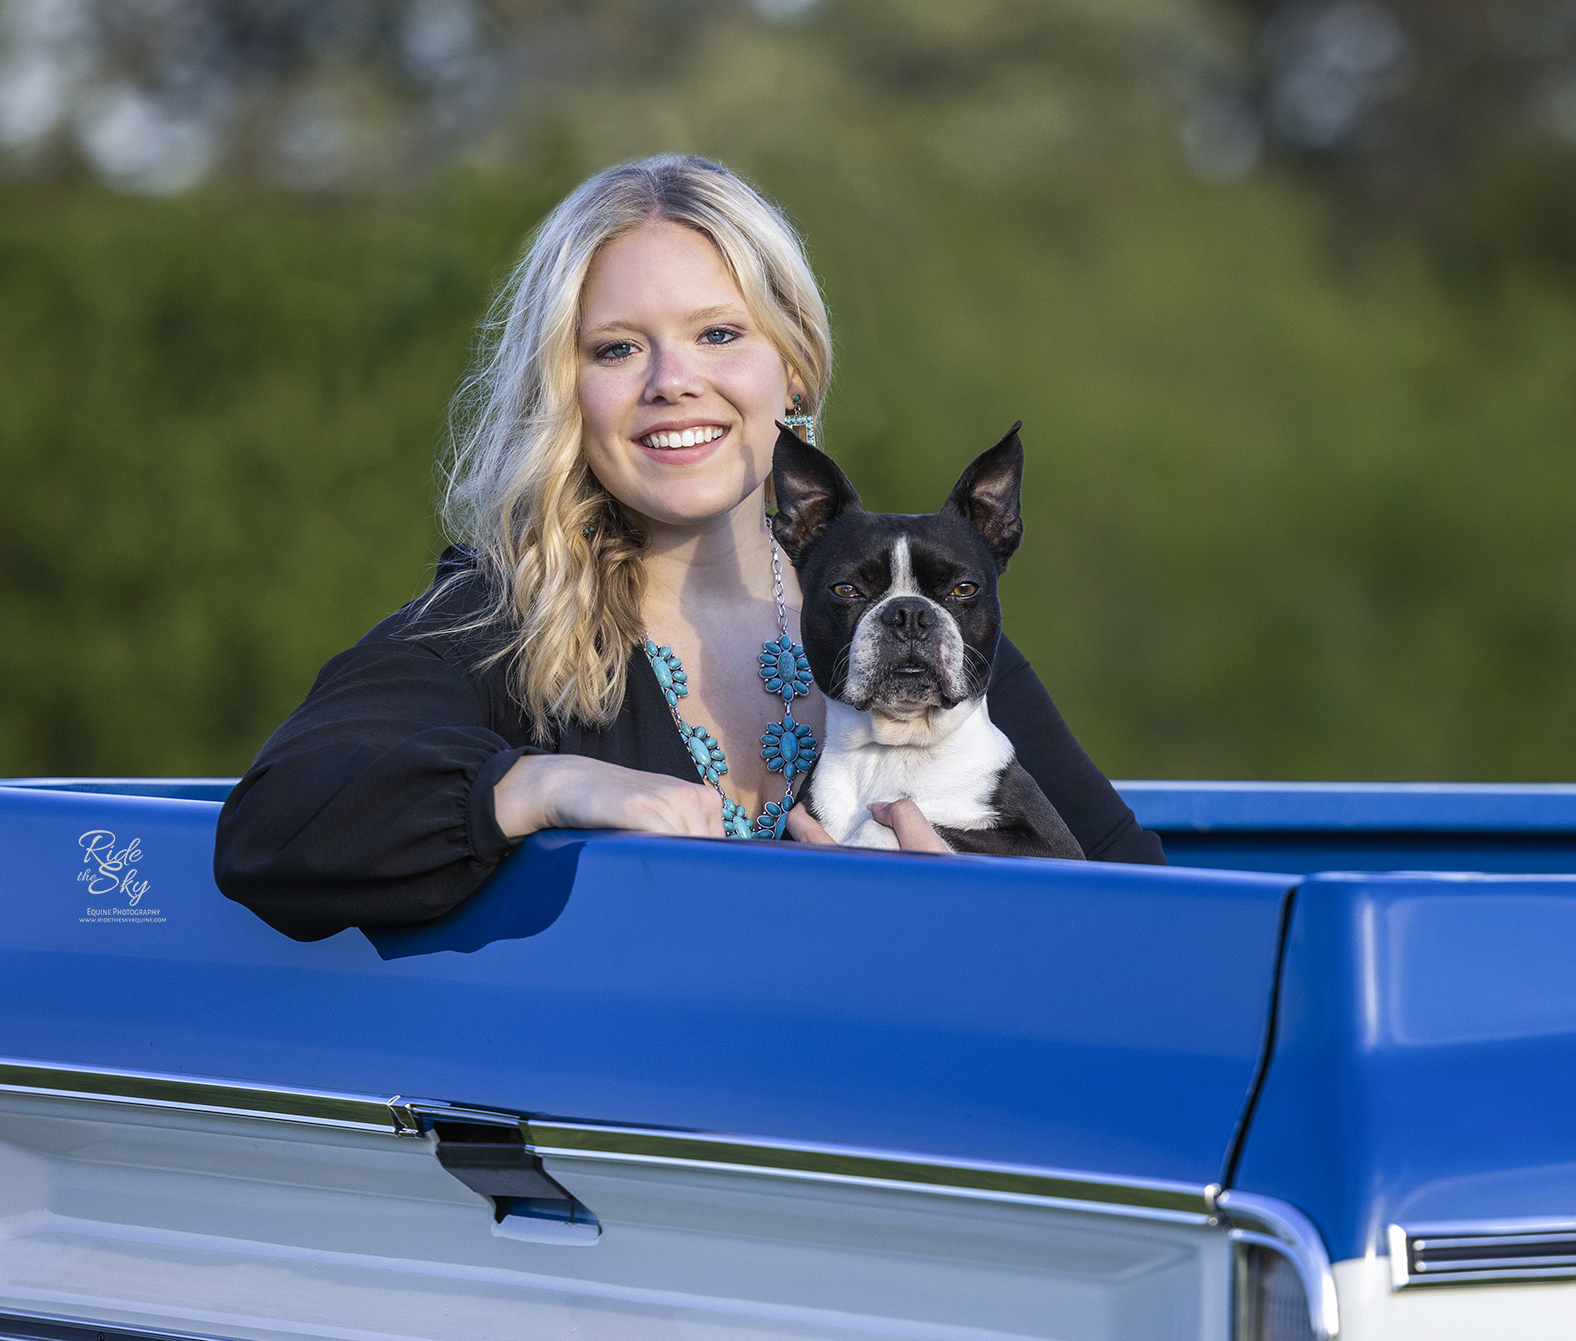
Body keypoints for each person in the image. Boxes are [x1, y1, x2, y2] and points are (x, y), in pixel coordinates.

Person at [214, 154, 1164, 942]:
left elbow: (1156, 927)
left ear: (791, 366)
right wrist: (543, 784)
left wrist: (995, 925)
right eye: (617, 349)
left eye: (718, 333)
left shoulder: (915, 625)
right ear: (562, 389)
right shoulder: (503, 623)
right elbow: (275, 827)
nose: (674, 381)